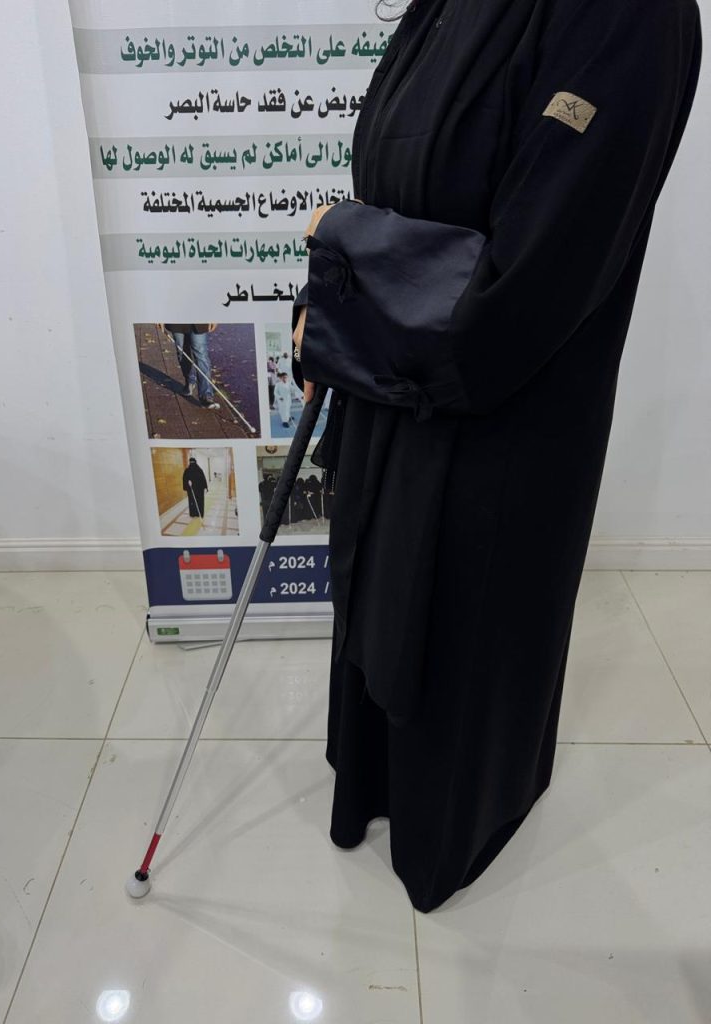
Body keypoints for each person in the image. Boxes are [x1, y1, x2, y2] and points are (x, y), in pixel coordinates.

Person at [290, 0, 702, 913]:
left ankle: (450, 835)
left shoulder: (632, 19)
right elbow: (395, 181)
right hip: (395, 388)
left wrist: (347, 267)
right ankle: (375, 785)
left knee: (463, 629)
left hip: (505, 417)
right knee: (380, 588)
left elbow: (532, 274)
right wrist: (332, 305)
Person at [163, 323, 221, 409]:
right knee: (182, 353)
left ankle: (206, 395)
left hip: (198, 321)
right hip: (176, 321)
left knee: (201, 355)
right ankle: (190, 381)